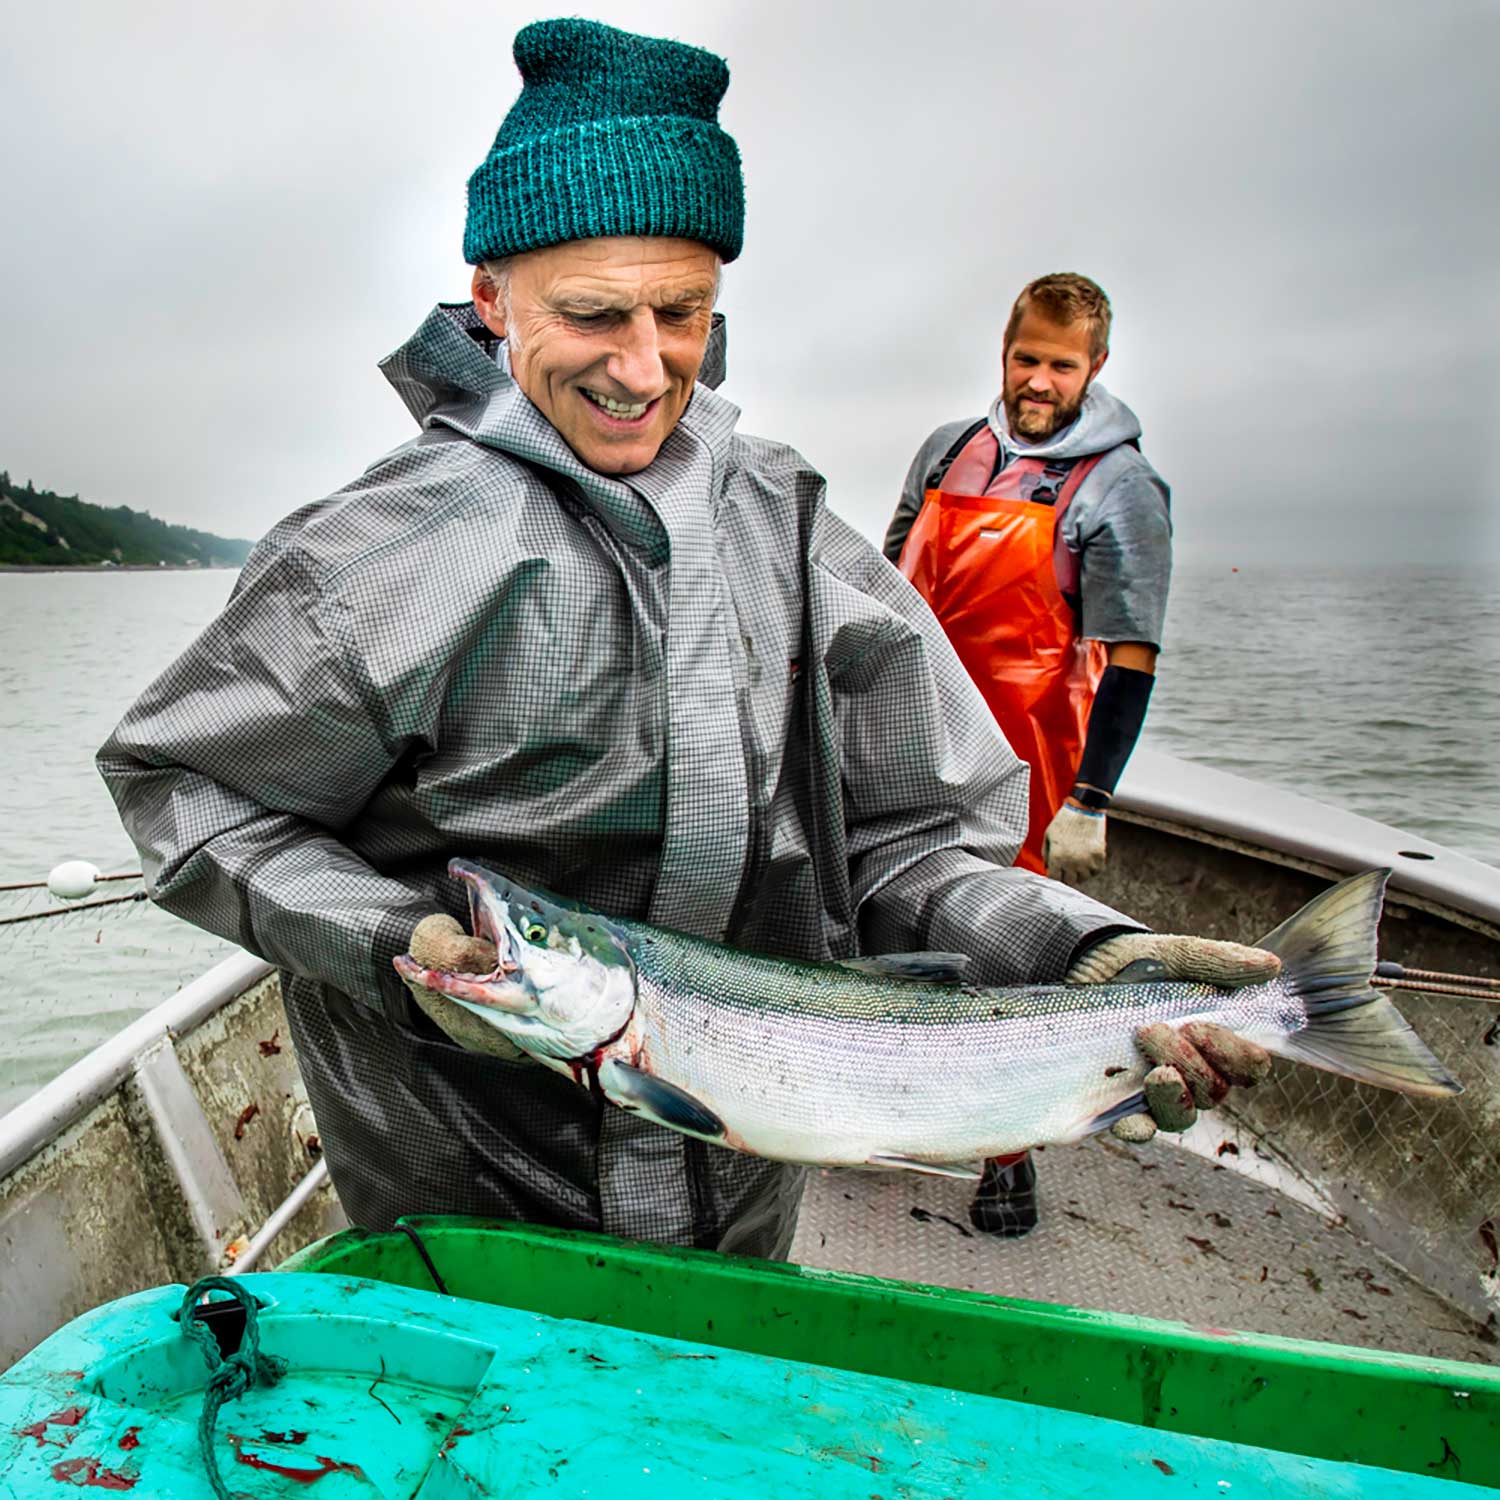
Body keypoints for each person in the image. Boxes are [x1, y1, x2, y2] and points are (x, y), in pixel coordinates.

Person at [97, 21, 1274, 1263]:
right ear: (491, 294)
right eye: (594, 313)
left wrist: (1083, 950)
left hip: (745, 1204)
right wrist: (395, 940)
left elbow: (908, 844)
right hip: (464, 1212)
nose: (645, 367)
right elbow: (188, 789)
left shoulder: (794, 525)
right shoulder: (380, 553)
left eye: (684, 312)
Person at [883, 274, 1174, 1236]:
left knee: (1009, 950)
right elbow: (882, 583)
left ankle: (1010, 1155)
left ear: (1095, 367)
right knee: (880, 914)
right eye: (1025, 359)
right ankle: (882, 1113)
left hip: (1028, 751)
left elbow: (1131, 654)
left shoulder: (1122, 488)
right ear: (1003, 354)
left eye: (1060, 364)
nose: (1038, 380)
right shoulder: (950, 451)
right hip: (912, 722)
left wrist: (1091, 795)